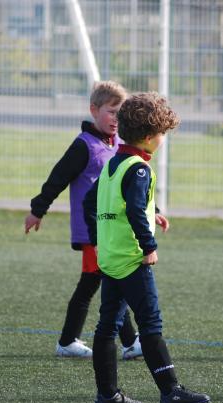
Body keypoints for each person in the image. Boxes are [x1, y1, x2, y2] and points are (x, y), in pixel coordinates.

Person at [83, 92, 211, 403]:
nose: (163, 140)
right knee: (150, 324)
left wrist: (98, 238)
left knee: (107, 327)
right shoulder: (139, 170)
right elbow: (136, 210)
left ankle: (108, 395)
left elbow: (92, 204)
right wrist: (149, 246)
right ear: (151, 138)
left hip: (110, 258)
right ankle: (171, 392)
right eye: (163, 135)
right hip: (132, 259)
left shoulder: (114, 164)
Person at [25, 81, 148, 360]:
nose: (117, 119)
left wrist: (155, 210)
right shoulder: (84, 146)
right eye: (112, 111)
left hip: (111, 229)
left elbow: (131, 183)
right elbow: (57, 178)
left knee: (98, 282)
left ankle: (69, 340)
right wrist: (38, 209)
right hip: (91, 229)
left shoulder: (119, 145)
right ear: (94, 110)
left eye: (121, 113)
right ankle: (128, 342)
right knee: (109, 280)